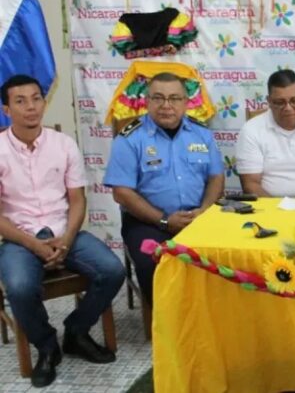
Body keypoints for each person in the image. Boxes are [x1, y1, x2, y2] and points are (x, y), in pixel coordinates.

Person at [0, 75, 125, 387]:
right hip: (19, 238)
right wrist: (34, 244)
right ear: (6, 109)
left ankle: (77, 331)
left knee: (111, 270)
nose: (31, 107)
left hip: (63, 231)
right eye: (20, 101)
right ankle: (46, 345)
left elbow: (77, 200)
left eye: (36, 98)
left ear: (44, 102)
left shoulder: (63, 144)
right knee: (18, 286)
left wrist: (67, 240)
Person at [104, 72, 224, 307]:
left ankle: (210, 318)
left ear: (186, 103)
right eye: (158, 98)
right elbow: (122, 192)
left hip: (197, 218)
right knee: (152, 261)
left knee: (226, 253)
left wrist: (205, 210)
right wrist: (164, 220)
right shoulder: (129, 138)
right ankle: (165, 323)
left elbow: (216, 178)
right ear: (147, 101)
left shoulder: (202, 134)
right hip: (148, 222)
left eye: (174, 99)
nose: (166, 106)